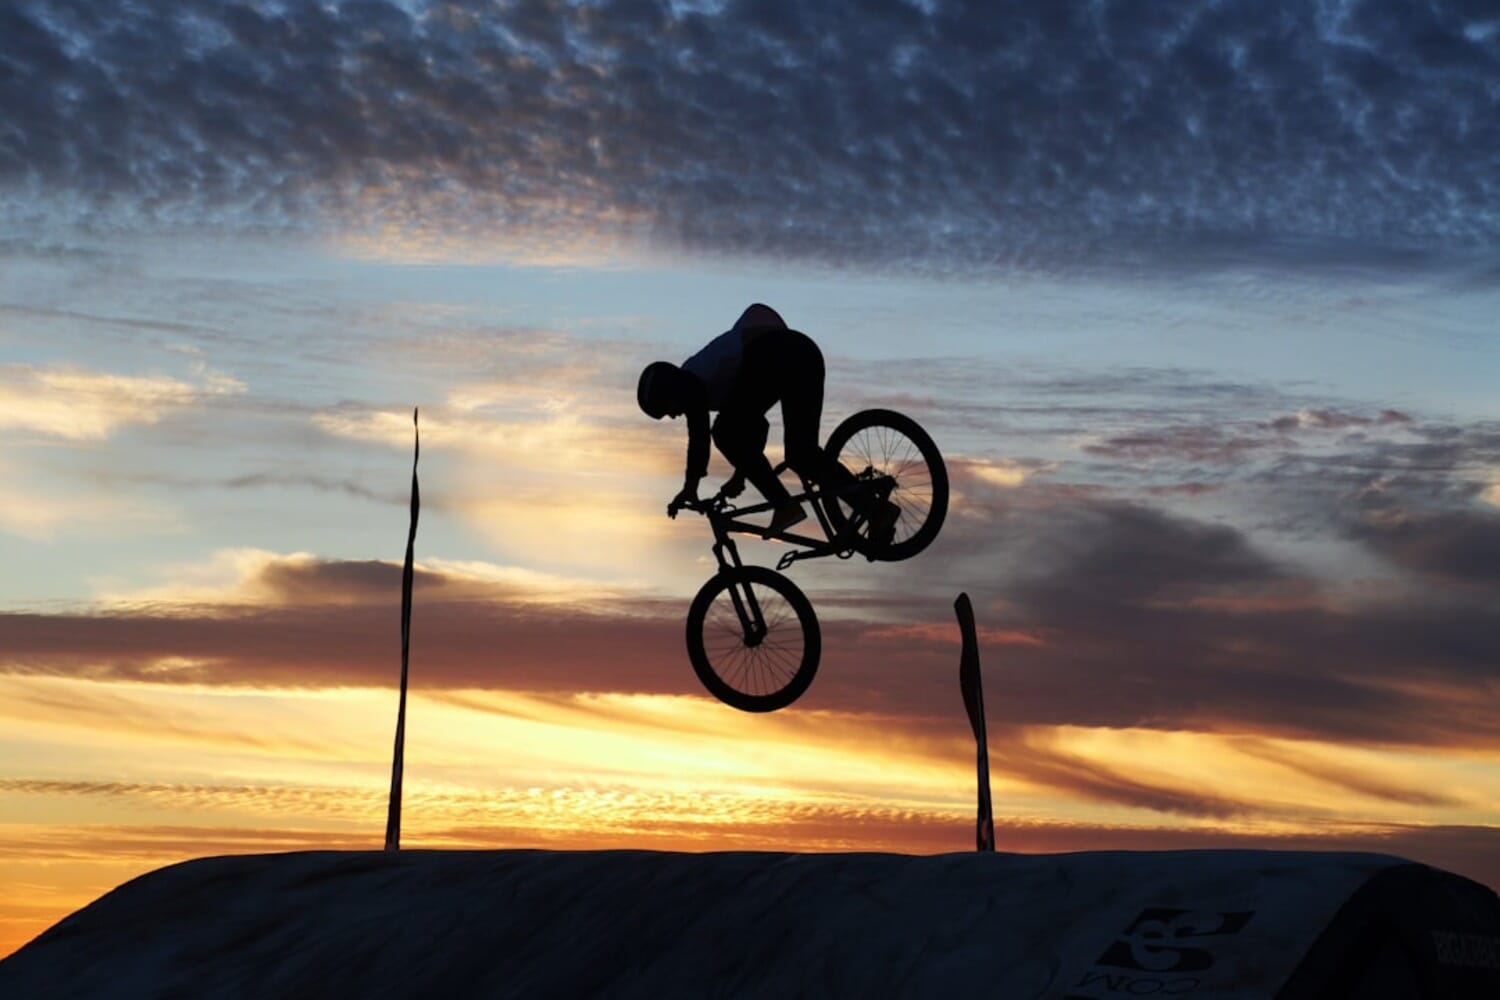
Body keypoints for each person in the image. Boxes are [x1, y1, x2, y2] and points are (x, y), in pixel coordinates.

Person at [637, 304, 899, 540]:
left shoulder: (693, 382)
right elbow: (757, 427)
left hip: (781, 353)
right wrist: (742, 473)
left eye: (666, 409)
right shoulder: (714, 381)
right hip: (802, 355)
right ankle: (876, 511)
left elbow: (699, 435)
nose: (672, 416)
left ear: (670, 391)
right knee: (801, 455)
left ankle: (784, 506)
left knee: (724, 432)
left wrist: (690, 487)